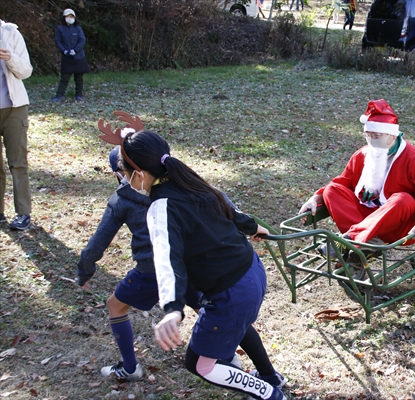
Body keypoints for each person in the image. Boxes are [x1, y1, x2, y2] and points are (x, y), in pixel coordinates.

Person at [112, 130, 287, 400]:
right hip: (252, 271)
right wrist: (253, 225)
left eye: (124, 173)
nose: (124, 179)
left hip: (232, 293)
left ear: (139, 174)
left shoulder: (160, 208)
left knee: (200, 364)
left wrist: (172, 310)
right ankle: (269, 377)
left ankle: (269, 394)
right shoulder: (189, 181)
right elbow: (228, 208)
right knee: (235, 328)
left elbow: (167, 261)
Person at [77, 145, 204, 382]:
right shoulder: (178, 185)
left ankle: (129, 367)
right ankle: (225, 356)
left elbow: (97, 243)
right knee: (204, 306)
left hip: (151, 270)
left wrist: (84, 270)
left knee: (115, 306)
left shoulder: (122, 199)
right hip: (184, 264)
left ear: (125, 172)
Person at [299, 99, 415, 255]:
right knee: (331, 190)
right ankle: (366, 243)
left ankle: (350, 241)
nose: (372, 140)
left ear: (392, 136)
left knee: (403, 199)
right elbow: (342, 183)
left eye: (377, 135)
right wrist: (316, 198)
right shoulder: (362, 154)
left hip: (399, 227)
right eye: (368, 135)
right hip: (365, 218)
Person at [0, 18, 33, 230]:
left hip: (14, 109)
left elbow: (26, 71)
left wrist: (10, 58)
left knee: (17, 163)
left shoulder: (10, 32)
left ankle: (23, 213)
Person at [50, 8, 90, 102]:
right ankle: (59, 96)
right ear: (64, 17)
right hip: (66, 57)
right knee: (64, 78)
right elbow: (58, 41)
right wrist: (64, 51)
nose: (70, 18)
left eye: (72, 16)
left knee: (79, 78)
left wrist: (75, 50)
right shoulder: (60, 28)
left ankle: (79, 95)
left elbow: (82, 40)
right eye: (68, 16)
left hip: (79, 57)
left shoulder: (78, 28)